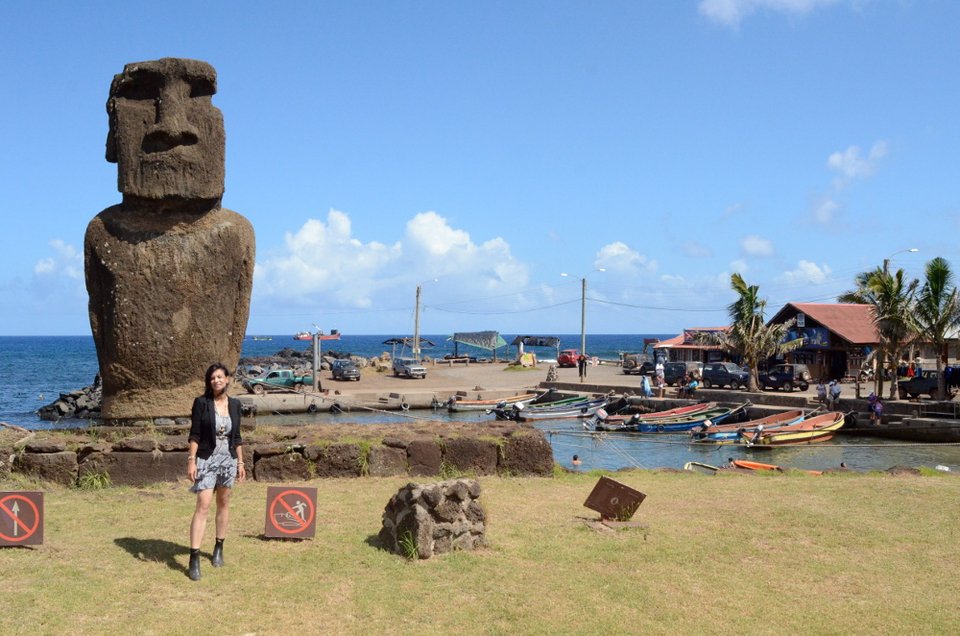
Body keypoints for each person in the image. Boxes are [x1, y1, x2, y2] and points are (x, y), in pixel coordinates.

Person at [187, 363, 246, 581]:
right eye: (212, 378)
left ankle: (219, 546)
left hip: (228, 460)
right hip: (206, 458)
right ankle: (194, 556)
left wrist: (240, 463)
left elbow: (237, 437)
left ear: (228, 379)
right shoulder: (201, 403)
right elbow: (194, 434)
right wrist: (191, 460)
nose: (216, 380)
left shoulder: (235, 405)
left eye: (220, 377)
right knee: (203, 505)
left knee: (224, 503)